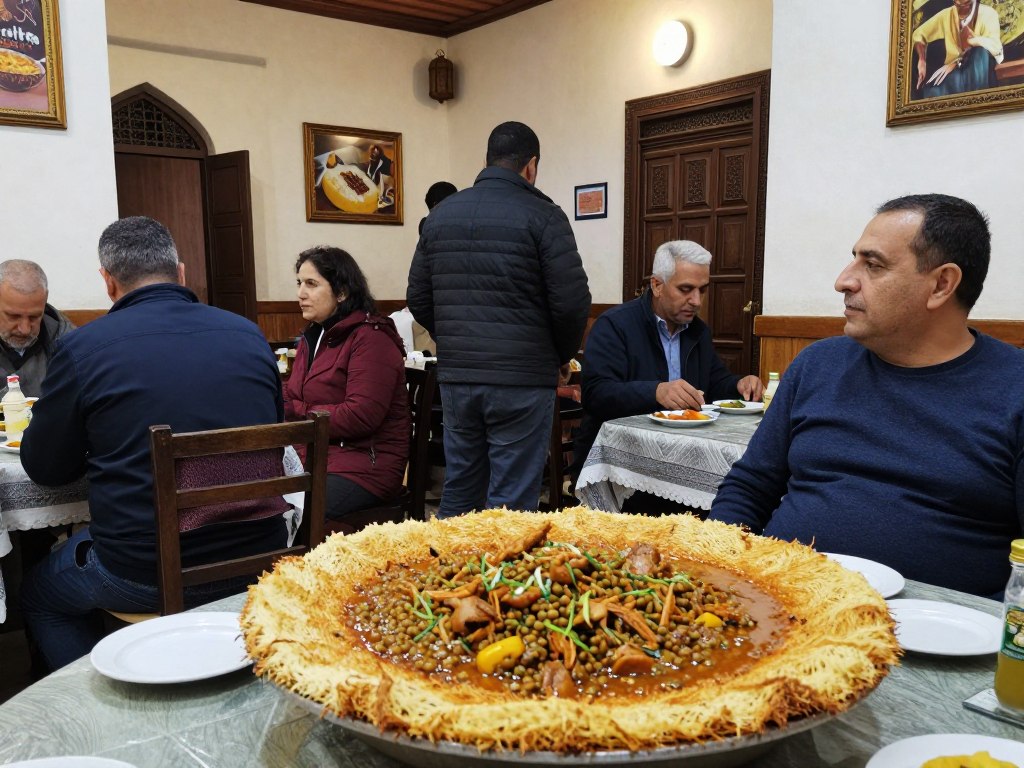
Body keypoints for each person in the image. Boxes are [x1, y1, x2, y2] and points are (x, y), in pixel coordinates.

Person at [710, 194, 1024, 599]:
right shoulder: (817, 365)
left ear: (941, 285)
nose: (843, 280)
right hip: (779, 602)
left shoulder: (1014, 388)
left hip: (938, 627)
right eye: (854, 259)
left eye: (873, 265)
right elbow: (750, 487)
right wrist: (718, 570)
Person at [20, 216, 287, 670]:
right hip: (261, 551)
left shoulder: (84, 349)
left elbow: (46, 468)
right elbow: (272, 431)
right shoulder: (248, 334)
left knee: (39, 594)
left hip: (145, 571)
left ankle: (105, 696)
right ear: (180, 272)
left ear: (108, 281)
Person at [407, 120, 591, 517]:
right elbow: (572, 302)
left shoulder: (440, 216)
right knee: (512, 502)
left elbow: (418, 298)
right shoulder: (545, 216)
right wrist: (561, 356)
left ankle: (448, 560)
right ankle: (502, 562)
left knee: (460, 490)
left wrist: (454, 336)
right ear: (531, 166)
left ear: (487, 160)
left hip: (458, 378)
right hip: (522, 379)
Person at [572, 241, 763, 510]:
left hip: (680, 461)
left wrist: (740, 384)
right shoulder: (615, 325)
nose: (696, 301)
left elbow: (715, 382)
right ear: (657, 285)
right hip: (624, 470)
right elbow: (596, 394)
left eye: (702, 290)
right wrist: (656, 392)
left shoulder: (698, 331)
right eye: (685, 289)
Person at [285, 245, 410, 523]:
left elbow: (360, 415)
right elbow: (291, 393)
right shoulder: (314, 335)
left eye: (311, 284)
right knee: (252, 498)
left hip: (365, 466)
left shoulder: (371, 338)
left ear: (341, 292)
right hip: (317, 457)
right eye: (299, 283)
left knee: (287, 512)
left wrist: (297, 411)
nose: (300, 293)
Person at [0, 259, 74, 396]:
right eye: (13, 316)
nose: (25, 329)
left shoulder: (70, 344)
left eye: (34, 317)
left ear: (45, 299)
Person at [912, 0, 1003, 99]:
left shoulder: (988, 14)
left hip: (978, 70)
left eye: (965, 4)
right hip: (953, 72)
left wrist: (960, 58)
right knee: (932, 91)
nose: (960, 7)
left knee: (979, 52)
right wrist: (922, 60)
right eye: (957, 3)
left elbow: (996, 49)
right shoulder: (947, 14)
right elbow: (918, 35)